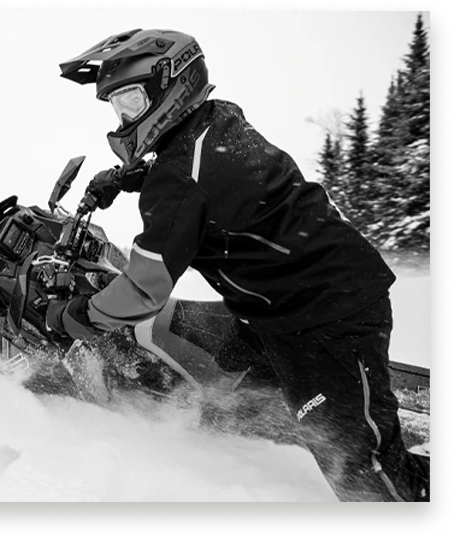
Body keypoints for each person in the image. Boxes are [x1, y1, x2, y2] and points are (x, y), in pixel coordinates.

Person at [46, 28, 430, 502]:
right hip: (290, 300)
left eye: (130, 102)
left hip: (324, 316)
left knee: (358, 467)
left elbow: (145, 288)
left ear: (172, 87)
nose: (123, 119)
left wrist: (76, 316)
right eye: (117, 107)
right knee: (218, 351)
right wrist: (129, 176)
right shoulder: (217, 120)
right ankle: (297, 402)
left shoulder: (180, 181)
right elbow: (207, 170)